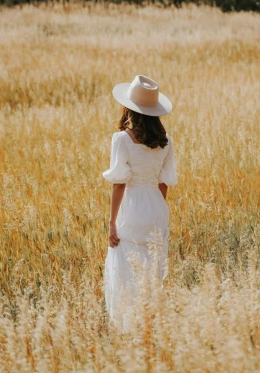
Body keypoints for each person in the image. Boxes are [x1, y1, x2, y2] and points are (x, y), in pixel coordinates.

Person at [102, 75, 177, 332]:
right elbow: (165, 182)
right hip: (156, 206)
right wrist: (154, 208)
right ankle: (149, 322)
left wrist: (112, 222)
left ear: (129, 108)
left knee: (125, 268)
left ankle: (129, 327)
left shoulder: (121, 139)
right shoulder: (166, 142)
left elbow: (119, 183)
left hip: (131, 206)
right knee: (150, 267)